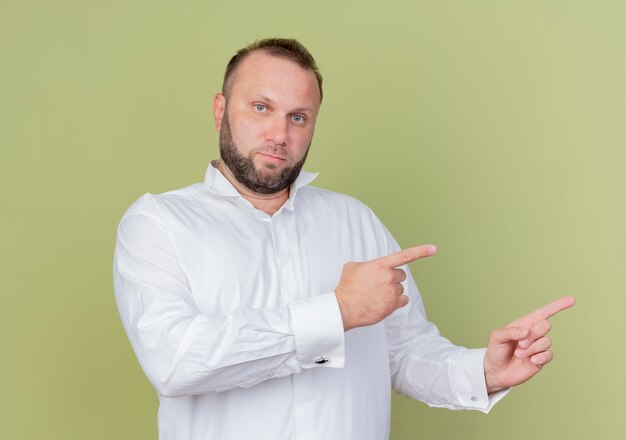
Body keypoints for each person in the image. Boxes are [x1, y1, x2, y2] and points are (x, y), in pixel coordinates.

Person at [113, 38, 575, 440]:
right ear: (220, 110)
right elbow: (175, 361)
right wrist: (337, 312)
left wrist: (484, 372)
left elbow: (405, 352)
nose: (279, 134)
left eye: (299, 117)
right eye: (261, 107)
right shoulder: (157, 223)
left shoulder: (356, 222)